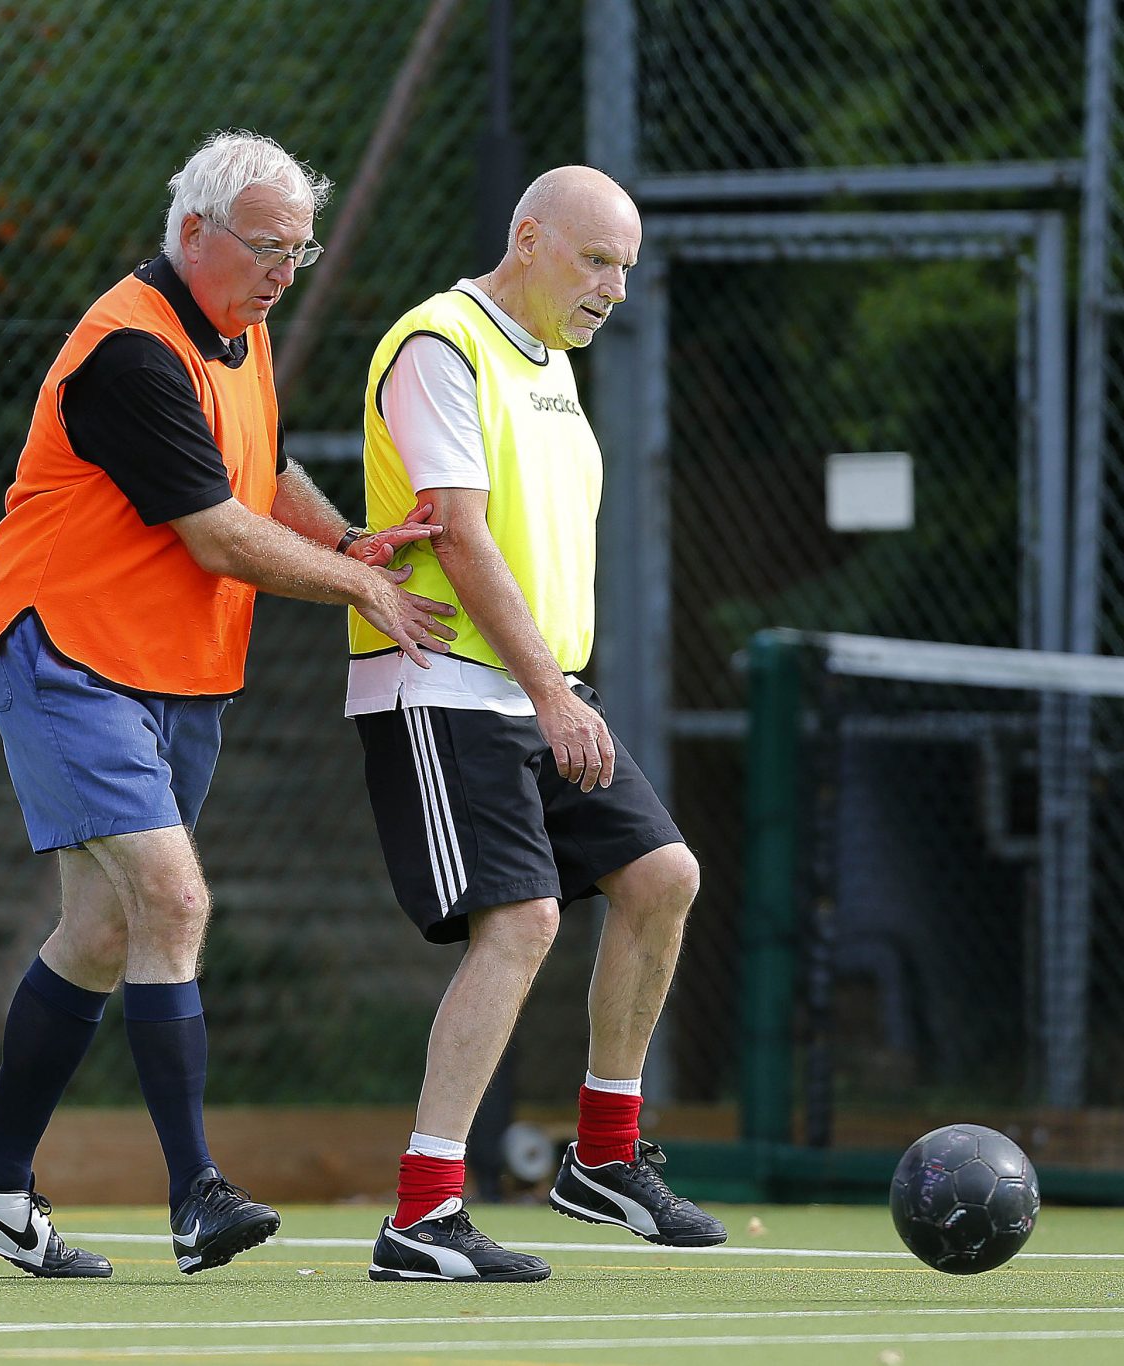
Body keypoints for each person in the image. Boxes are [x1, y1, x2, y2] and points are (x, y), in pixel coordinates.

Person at [0, 129, 453, 1280]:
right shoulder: (129, 348)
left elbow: (251, 477)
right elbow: (215, 533)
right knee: (173, 897)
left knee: (107, 929)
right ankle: (197, 1193)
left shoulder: (237, 331)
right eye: (268, 247)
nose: (282, 272)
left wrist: (347, 537)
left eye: (299, 254)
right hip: (66, 652)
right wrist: (362, 583)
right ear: (191, 232)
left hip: (173, 672)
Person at [347, 165, 723, 1283]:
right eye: (596, 260)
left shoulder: (550, 359)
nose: (613, 286)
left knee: (661, 877)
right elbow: (458, 537)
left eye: (625, 269)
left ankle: (603, 1158)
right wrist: (553, 693)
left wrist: (555, 689)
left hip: (536, 688)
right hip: (446, 686)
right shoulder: (439, 345)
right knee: (519, 923)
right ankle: (422, 1214)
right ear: (527, 238)